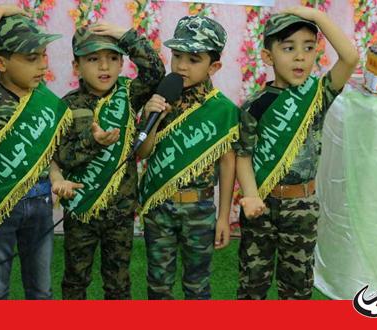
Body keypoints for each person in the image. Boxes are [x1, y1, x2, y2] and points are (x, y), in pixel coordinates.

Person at [234, 6, 359, 299]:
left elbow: (350, 58)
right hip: (261, 205)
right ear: (268, 56)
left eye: (308, 47)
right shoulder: (255, 105)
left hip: (301, 205)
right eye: (288, 48)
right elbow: (243, 154)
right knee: (252, 284)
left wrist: (316, 17)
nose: (300, 56)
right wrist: (250, 195)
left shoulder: (318, 95)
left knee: (297, 287)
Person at [0, 5, 68, 299]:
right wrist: (0, 9)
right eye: (32, 58)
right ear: (0, 62)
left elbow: (49, 154)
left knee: (41, 290)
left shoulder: (43, 100)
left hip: (41, 203)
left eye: (44, 55)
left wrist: (57, 176)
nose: (43, 65)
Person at [49, 23, 165, 299]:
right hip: (81, 209)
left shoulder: (129, 93)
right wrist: (94, 143)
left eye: (113, 58)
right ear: (76, 65)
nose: (105, 67)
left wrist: (124, 36)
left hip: (120, 212)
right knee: (76, 280)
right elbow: (61, 156)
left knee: (118, 283)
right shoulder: (67, 105)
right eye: (93, 59)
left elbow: (156, 71)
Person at [137, 15, 239, 300]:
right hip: (160, 207)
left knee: (197, 286)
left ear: (214, 66)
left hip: (200, 208)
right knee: (158, 285)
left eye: (194, 59)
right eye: (177, 55)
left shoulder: (222, 110)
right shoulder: (161, 97)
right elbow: (142, 153)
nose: (182, 65)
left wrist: (223, 217)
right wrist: (151, 118)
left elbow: (228, 163)